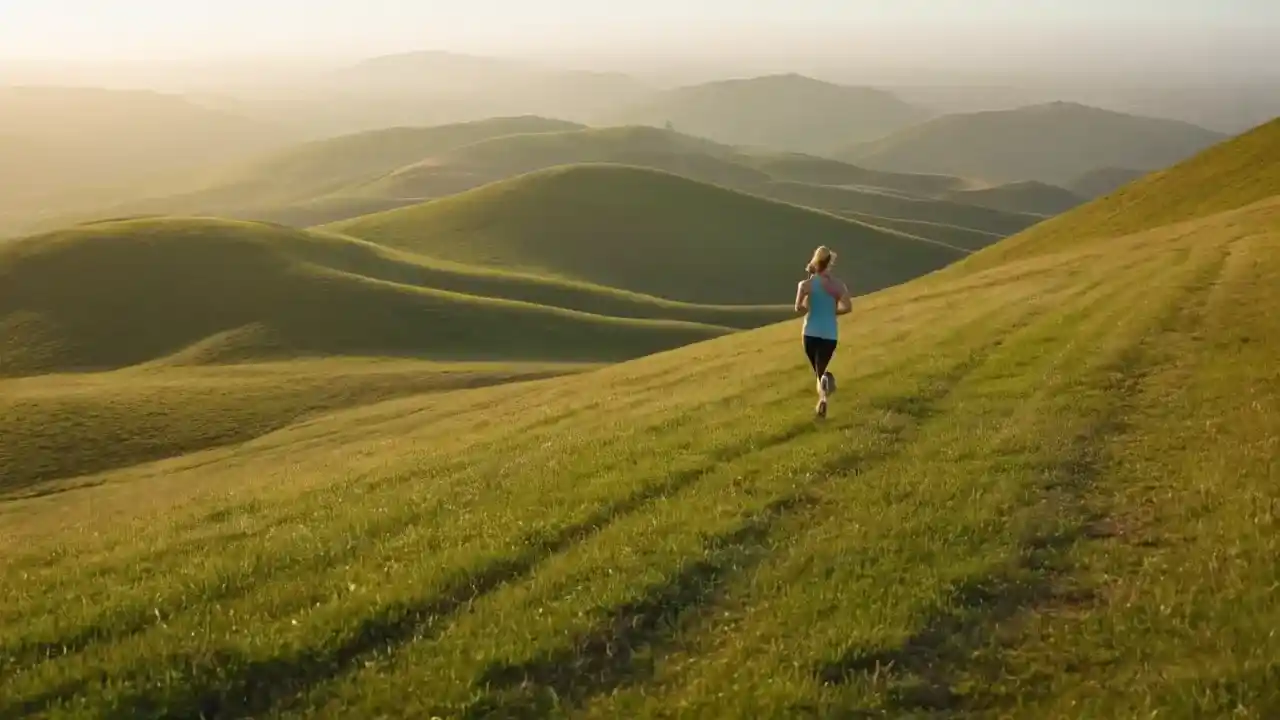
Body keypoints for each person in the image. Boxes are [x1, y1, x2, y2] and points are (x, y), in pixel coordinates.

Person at [794, 246, 852, 417]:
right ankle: (823, 398)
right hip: (829, 334)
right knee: (822, 370)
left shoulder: (805, 284)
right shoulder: (838, 285)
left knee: (819, 372)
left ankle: (823, 397)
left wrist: (810, 304)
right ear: (830, 263)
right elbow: (848, 307)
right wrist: (831, 311)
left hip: (810, 333)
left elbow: (798, 308)